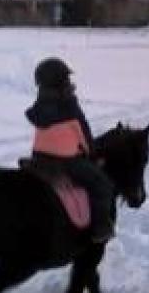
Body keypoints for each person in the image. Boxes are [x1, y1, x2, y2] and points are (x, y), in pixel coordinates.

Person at [25, 57, 115, 243]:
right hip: (66, 162)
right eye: (66, 78)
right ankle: (101, 229)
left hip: (38, 159)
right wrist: (92, 153)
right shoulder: (69, 104)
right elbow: (83, 133)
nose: (69, 81)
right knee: (102, 185)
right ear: (61, 81)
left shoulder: (39, 105)